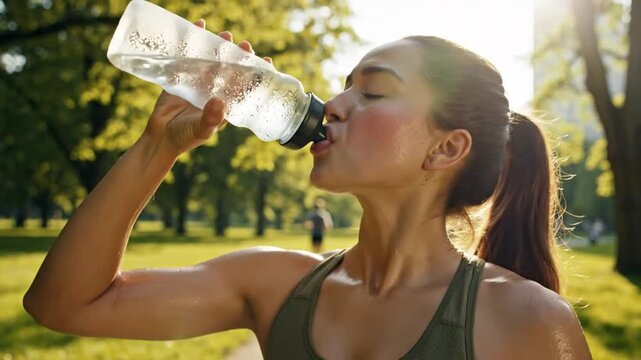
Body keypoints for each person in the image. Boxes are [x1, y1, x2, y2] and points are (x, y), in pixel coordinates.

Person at [23, 19, 592, 359]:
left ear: (445, 148)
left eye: (372, 93)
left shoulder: (527, 320)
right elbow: (63, 304)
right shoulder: (273, 284)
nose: (336, 104)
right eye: (345, 88)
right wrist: (157, 149)